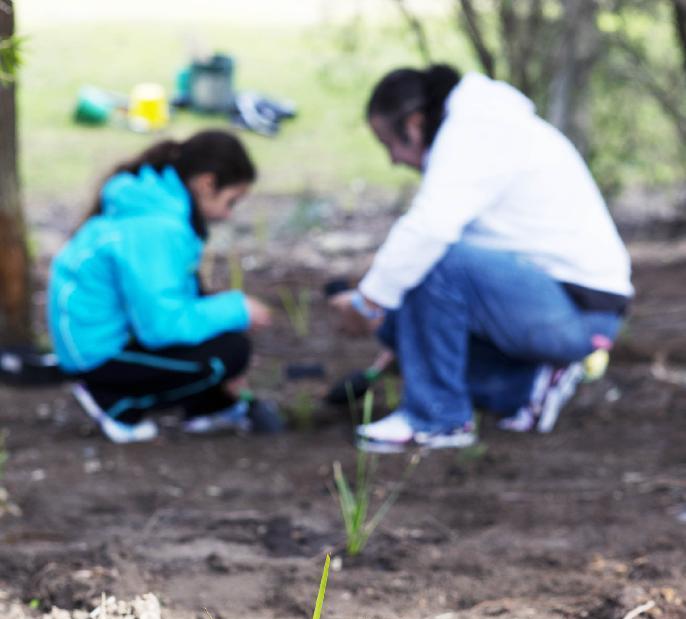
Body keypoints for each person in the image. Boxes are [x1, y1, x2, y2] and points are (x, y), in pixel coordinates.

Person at [331, 65, 632, 452]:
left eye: (390, 143)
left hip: (578, 308)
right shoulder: (477, 129)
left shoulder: (477, 131)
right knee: (398, 318)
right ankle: (527, 386)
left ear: (415, 123)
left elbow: (430, 232)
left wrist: (366, 303)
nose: (393, 160)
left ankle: (438, 419)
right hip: (548, 302)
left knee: (433, 261)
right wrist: (400, 334)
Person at [48, 129, 280, 443]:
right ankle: (114, 402)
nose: (228, 214)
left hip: (101, 340)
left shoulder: (153, 205)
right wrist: (237, 308)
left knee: (217, 336)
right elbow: (160, 327)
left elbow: (169, 299)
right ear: (207, 183)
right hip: (99, 356)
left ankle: (208, 407)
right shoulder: (156, 228)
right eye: (231, 201)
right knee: (231, 351)